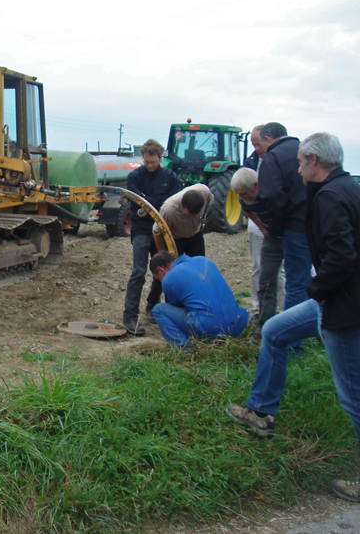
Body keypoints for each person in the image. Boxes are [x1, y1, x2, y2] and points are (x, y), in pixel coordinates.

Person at [298, 132, 360, 502]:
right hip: (346, 298)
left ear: (313, 160)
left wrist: (317, 290)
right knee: (276, 331)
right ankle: (263, 409)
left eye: (301, 161)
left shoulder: (331, 198)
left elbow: (342, 256)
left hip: (342, 305)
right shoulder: (351, 187)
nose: (297, 166)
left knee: (352, 394)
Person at [226, 298, 320, 436]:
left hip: (342, 303)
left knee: (351, 390)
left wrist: (320, 289)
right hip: (340, 298)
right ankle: (261, 411)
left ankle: (261, 411)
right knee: (274, 331)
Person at [122, 139, 182, 336]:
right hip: (140, 230)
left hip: (162, 230)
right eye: (146, 162)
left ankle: (152, 307)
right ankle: (129, 317)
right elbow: (135, 201)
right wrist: (154, 201)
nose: (149, 165)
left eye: (153, 162)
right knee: (138, 272)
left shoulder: (170, 177)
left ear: (160, 158)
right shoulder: (134, 177)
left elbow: (173, 201)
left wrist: (148, 201)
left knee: (162, 271)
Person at [257, 122, 312, 323]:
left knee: (271, 280)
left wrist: (274, 224)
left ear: (268, 139)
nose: (259, 151)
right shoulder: (305, 152)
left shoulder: (273, 157)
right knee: (299, 280)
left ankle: (281, 332)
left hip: (285, 228)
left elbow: (271, 195)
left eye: (259, 145)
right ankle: (305, 328)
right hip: (306, 226)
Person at [148, 250, 248, 348]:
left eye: (158, 278)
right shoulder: (203, 260)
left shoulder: (169, 278)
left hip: (211, 328)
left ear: (160, 270)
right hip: (238, 324)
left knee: (159, 310)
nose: (161, 281)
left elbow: (175, 306)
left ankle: (183, 349)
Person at [230, 167, 285, 321]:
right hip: (264, 228)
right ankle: (259, 309)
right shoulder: (243, 197)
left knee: (280, 271)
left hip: (280, 230)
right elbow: (248, 212)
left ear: (256, 186)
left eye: (244, 193)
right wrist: (262, 228)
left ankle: (283, 309)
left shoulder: (271, 195)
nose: (241, 197)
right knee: (258, 267)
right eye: (239, 194)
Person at [152, 183, 213, 256]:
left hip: (195, 234)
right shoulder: (168, 210)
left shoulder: (205, 192)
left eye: (196, 214)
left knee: (199, 263)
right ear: (183, 206)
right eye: (190, 215)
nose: (192, 217)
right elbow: (157, 232)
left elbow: (208, 205)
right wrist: (162, 253)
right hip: (176, 240)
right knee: (178, 265)